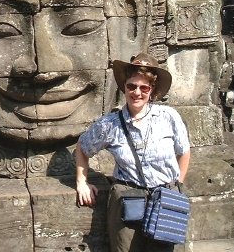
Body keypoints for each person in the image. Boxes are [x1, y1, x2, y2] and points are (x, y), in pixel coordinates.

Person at [75, 52, 191, 252]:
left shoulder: (168, 117)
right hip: (128, 202)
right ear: (125, 87)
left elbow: (184, 151)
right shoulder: (109, 125)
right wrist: (81, 182)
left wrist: (176, 185)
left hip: (165, 200)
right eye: (132, 86)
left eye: (144, 87)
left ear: (151, 89)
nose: (137, 92)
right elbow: (82, 148)